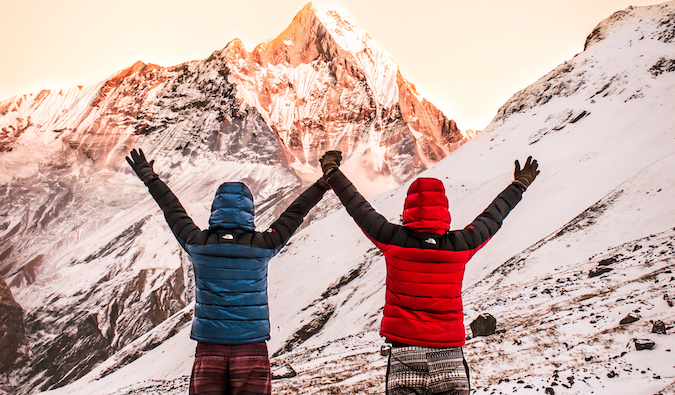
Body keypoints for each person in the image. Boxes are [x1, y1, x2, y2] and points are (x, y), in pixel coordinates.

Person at [319, 151, 539, 395]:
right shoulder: (461, 244)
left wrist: (332, 171)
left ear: (409, 208)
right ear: (444, 209)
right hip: (450, 358)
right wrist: (519, 185)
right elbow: (493, 216)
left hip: (405, 356)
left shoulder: (393, 239)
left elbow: (357, 206)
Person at [126, 148, 330, 395]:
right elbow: (295, 212)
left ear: (215, 212)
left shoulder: (198, 243)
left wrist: (151, 178)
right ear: (250, 213)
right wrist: (322, 184)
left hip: (208, 349)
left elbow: (172, 210)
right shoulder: (263, 245)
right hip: (252, 349)